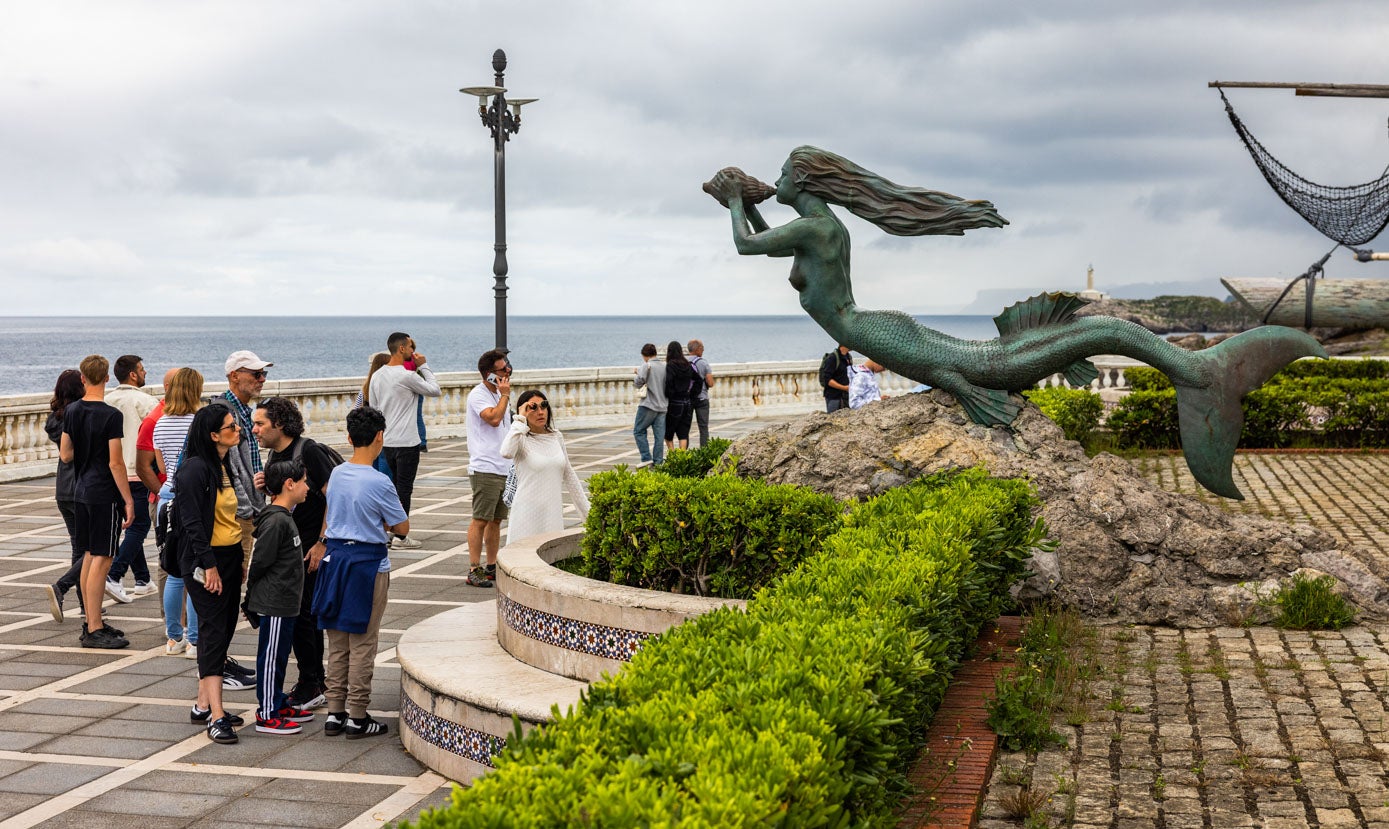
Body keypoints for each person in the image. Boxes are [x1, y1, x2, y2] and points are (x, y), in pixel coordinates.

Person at [312, 406, 406, 740]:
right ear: (380, 436)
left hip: (335, 560)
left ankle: (334, 712)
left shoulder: (337, 473)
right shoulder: (381, 481)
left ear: (349, 438)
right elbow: (402, 526)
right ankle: (357, 714)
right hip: (368, 563)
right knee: (364, 642)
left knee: (336, 641)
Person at [253, 397, 341, 711]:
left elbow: (336, 496)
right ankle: (312, 680)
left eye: (260, 423)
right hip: (291, 549)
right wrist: (269, 489)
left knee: (305, 618)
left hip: (311, 549)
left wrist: (322, 541)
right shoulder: (275, 455)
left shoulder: (310, 451)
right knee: (300, 616)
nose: (255, 430)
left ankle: (312, 682)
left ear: (279, 423)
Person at [177, 404, 248, 744]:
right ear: (213, 435)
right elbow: (191, 522)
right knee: (214, 630)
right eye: (231, 427)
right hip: (206, 561)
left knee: (218, 630)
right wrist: (209, 565)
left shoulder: (222, 465)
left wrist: (240, 557)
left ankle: (203, 704)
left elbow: (228, 519)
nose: (238, 430)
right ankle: (217, 716)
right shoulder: (194, 470)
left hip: (229, 556)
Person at [60, 355, 135, 649]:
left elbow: (66, 454)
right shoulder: (111, 415)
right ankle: (93, 627)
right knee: (102, 559)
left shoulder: (72, 411)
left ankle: (93, 621)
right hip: (104, 493)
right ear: (106, 378)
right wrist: (128, 500)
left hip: (81, 491)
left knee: (91, 555)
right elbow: (116, 463)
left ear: (82, 378)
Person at [246, 458, 315, 735]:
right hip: (274, 603)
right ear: (289, 484)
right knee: (271, 657)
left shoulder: (284, 517)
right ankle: (266, 713)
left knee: (281, 655)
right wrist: (251, 596)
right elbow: (260, 562)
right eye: (304, 481)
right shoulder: (276, 521)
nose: (307, 487)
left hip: (286, 603)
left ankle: (276, 700)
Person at [150, 368, 205, 657]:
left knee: (172, 569)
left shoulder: (160, 423)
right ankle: (195, 639)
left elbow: (160, 468)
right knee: (195, 570)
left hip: (167, 496)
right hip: (193, 497)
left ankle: (174, 638)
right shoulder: (199, 422)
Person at [368, 333, 440, 550]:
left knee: (392, 489)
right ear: (401, 349)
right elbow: (435, 389)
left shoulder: (378, 376)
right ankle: (400, 536)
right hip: (407, 442)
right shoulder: (407, 376)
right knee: (404, 489)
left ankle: (390, 531)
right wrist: (424, 366)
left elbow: (374, 408)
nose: (413, 351)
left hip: (387, 442)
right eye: (410, 346)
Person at [501, 391, 590, 544]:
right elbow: (506, 452)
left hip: (552, 513)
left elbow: (569, 475)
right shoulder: (520, 438)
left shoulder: (556, 436)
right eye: (533, 408)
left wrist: (588, 514)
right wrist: (519, 419)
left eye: (544, 406)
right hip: (525, 514)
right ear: (524, 411)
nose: (540, 412)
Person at [104, 354, 157, 601]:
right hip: (137, 472)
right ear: (133, 374)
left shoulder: (106, 400)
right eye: (143, 369)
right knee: (139, 526)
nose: (146, 373)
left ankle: (143, 579)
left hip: (111, 472)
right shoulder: (146, 402)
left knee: (130, 525)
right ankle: (113, 575)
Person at [135, 368, 180, 647]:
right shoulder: (155, 419)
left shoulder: (178, 417)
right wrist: (163, 494)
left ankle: (183, 620)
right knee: (168, 561)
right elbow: (143, 466)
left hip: (177, 498)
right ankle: (170, 622)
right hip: (164, 500)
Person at [465, 349, 512, 588]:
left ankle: (492, 566)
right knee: (480, 519)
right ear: (489, 374)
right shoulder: (479, 395)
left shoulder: (498, 395)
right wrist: (504, 396)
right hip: (485, 466)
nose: (508, 371)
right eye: (503, 369)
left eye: (508, 366)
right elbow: (493, 418)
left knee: (496, 520)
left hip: (504, 466)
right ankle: (474, 568)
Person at [42, 370, 86, 623]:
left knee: (79, 547)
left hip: (63, 488)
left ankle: (85, 603)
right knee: (93, 549)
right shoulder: (79, 415)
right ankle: (62, 586)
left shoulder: (55, 419)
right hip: (82, 486)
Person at [222, 351, 271, 573]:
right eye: (256, 374)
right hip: (240, 513)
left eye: (263, 374)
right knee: (233, 576)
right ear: (234, 376)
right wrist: (246, 509)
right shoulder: (226, 414)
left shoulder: (243, 411)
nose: (262, 379)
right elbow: (230, 468)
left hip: (249, 509)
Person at [354, 351, 393, 476]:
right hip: (385, 434)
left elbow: (356, 410)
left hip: (368, 434)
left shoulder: (365, 389)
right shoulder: (386, 389)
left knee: (371, 468)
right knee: (385, 471)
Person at [632, 343, 667, 467]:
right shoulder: (665, 366)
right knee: (659, 437)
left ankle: (646, 457)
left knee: (638, 430)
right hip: (662, 406)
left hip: (648, 405)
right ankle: (658, 462)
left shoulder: (646, 366)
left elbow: (638, 383)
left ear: (644, 355)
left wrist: (636, 373)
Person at [663, 341, 701, 452]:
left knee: (668, 433)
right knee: (683, 433)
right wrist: (692, 394)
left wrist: (668, 395)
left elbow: (669, 383)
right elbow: (698, 380)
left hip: (675, 402)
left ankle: (673, 455)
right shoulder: (687, 365)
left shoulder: (670, 365)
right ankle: (682, 458)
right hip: (687, 401)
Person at [686, 339, 716, 447]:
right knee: (703, 428)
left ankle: (684, 455)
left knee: (685, 428)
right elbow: (710, 383)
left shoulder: (682, 362)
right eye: (702, 348)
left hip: (686, 399)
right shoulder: (703, 363)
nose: (703, 350)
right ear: (698, 349)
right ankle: (704, 453)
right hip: (702, 398)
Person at [819, 345, 852, 412]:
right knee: (832, 419)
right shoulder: (833, 358)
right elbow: (827, 380)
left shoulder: (848, 357)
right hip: (833, 397)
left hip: (845, 397)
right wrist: (844, 388)